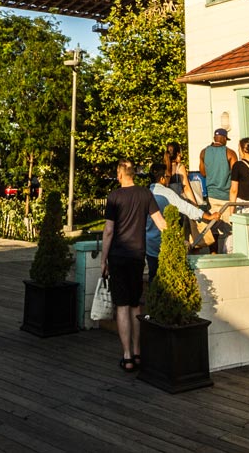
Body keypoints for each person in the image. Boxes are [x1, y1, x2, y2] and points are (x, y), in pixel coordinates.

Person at [99, 159, 167, 372]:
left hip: (118, 255)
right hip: (138, 255)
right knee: (136, 303)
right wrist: (176, 241)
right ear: (134, 174)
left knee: (122, 305)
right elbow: (160, 222)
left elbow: (109, 231)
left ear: (119, 175)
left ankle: (127, 356)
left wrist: (104, 259)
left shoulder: (114, 197)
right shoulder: (145, 194)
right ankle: (138, 352)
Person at [146, 161, 215, 281]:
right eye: (167, 177)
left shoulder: (145, 193)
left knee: (153, 274)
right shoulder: (167, 193)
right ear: (162, 179)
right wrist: (207, 216)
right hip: (165, 242)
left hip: (148, 243)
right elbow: (185, 207)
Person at [199, 129, 235, 248]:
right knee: (229, 230)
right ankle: (229, 254)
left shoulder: (204, 152)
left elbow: (203, 173)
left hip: (211, 196)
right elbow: (236, 175)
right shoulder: (230, 153)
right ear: (224, 139)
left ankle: (214, 253)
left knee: (213, 229)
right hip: (227, 196)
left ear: (215, 138)